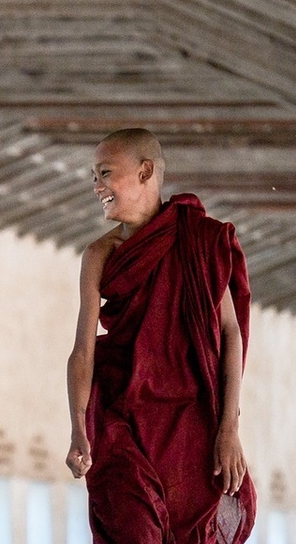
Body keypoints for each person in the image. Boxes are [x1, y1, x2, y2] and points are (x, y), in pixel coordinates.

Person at [64, 128, 256, 543]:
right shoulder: (99, 254)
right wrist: (79, 428)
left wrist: (228, 429)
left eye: (105, 173)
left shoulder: (198, 238)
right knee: (133, 528)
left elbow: (230, 334)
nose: (96, 186)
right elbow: (83, 351)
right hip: (119, 416)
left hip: (187, 418)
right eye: (94, 176)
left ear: (145, 171)